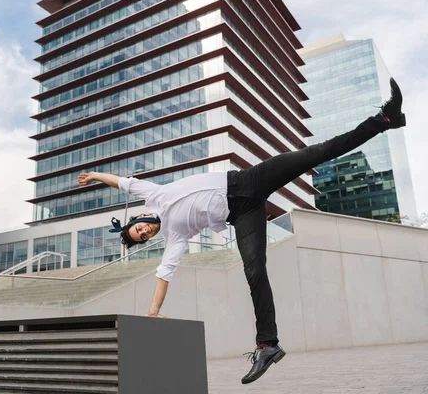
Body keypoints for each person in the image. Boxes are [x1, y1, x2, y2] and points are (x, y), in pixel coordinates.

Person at [77, 78, 406, 384]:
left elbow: (121, 182)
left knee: (316, 152)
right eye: (144, 238)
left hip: (248, 180)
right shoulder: (174, 236)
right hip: (244, 214)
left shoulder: (154, 195)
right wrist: (152, 311)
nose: (147, 232)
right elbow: (164, 275)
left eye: (141, 229)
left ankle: (385, 119)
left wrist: (94, 175)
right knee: (254, 270)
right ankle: (268, 345)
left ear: (137, 219)